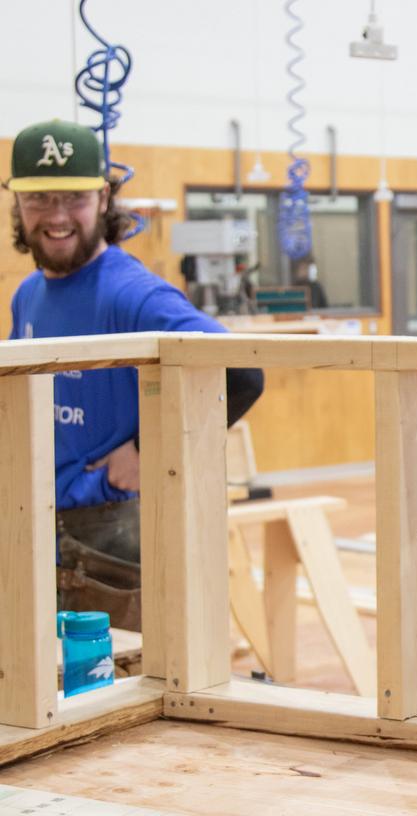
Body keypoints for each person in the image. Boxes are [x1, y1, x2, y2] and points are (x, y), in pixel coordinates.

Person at [6, 119, 264, 631]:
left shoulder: (134, 295)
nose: (56, 217)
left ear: (103, 198)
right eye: (39, 198)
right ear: (17, 203)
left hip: (109, 540)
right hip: (37, 523)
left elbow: (242, 373)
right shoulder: (29, 293)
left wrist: (149, 448)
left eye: (73, 198)